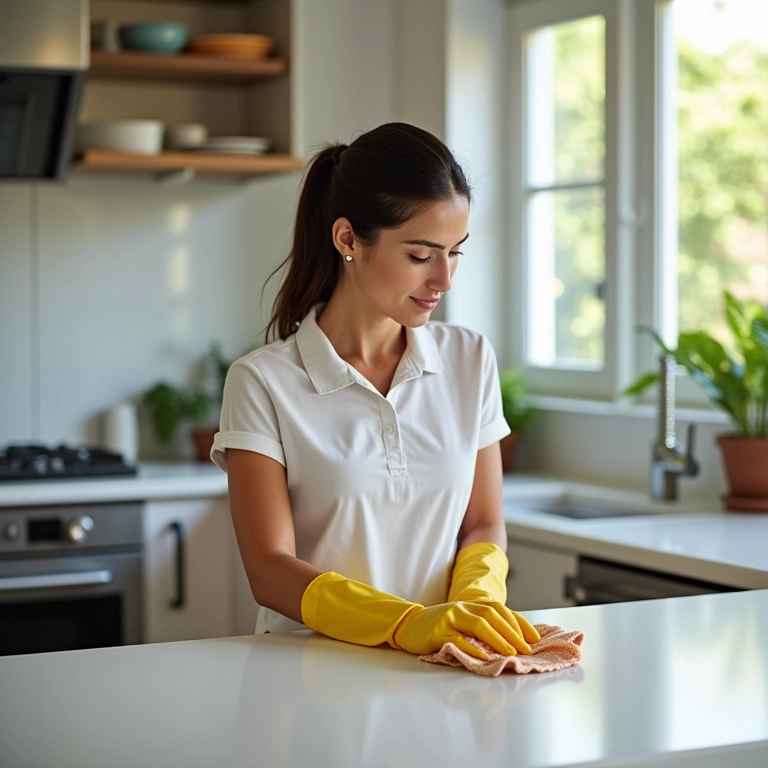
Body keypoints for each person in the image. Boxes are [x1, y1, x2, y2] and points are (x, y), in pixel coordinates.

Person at [211, 122, 540, 661]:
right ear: (347, 240)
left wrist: (474, 604)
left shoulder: (470, 359)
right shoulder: (262, 382)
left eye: (456, 252)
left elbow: (483, 520)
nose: (444, 280)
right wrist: (408, 623)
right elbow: (269, 569)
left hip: (440, 672)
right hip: (309, 678)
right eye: (420, 255)